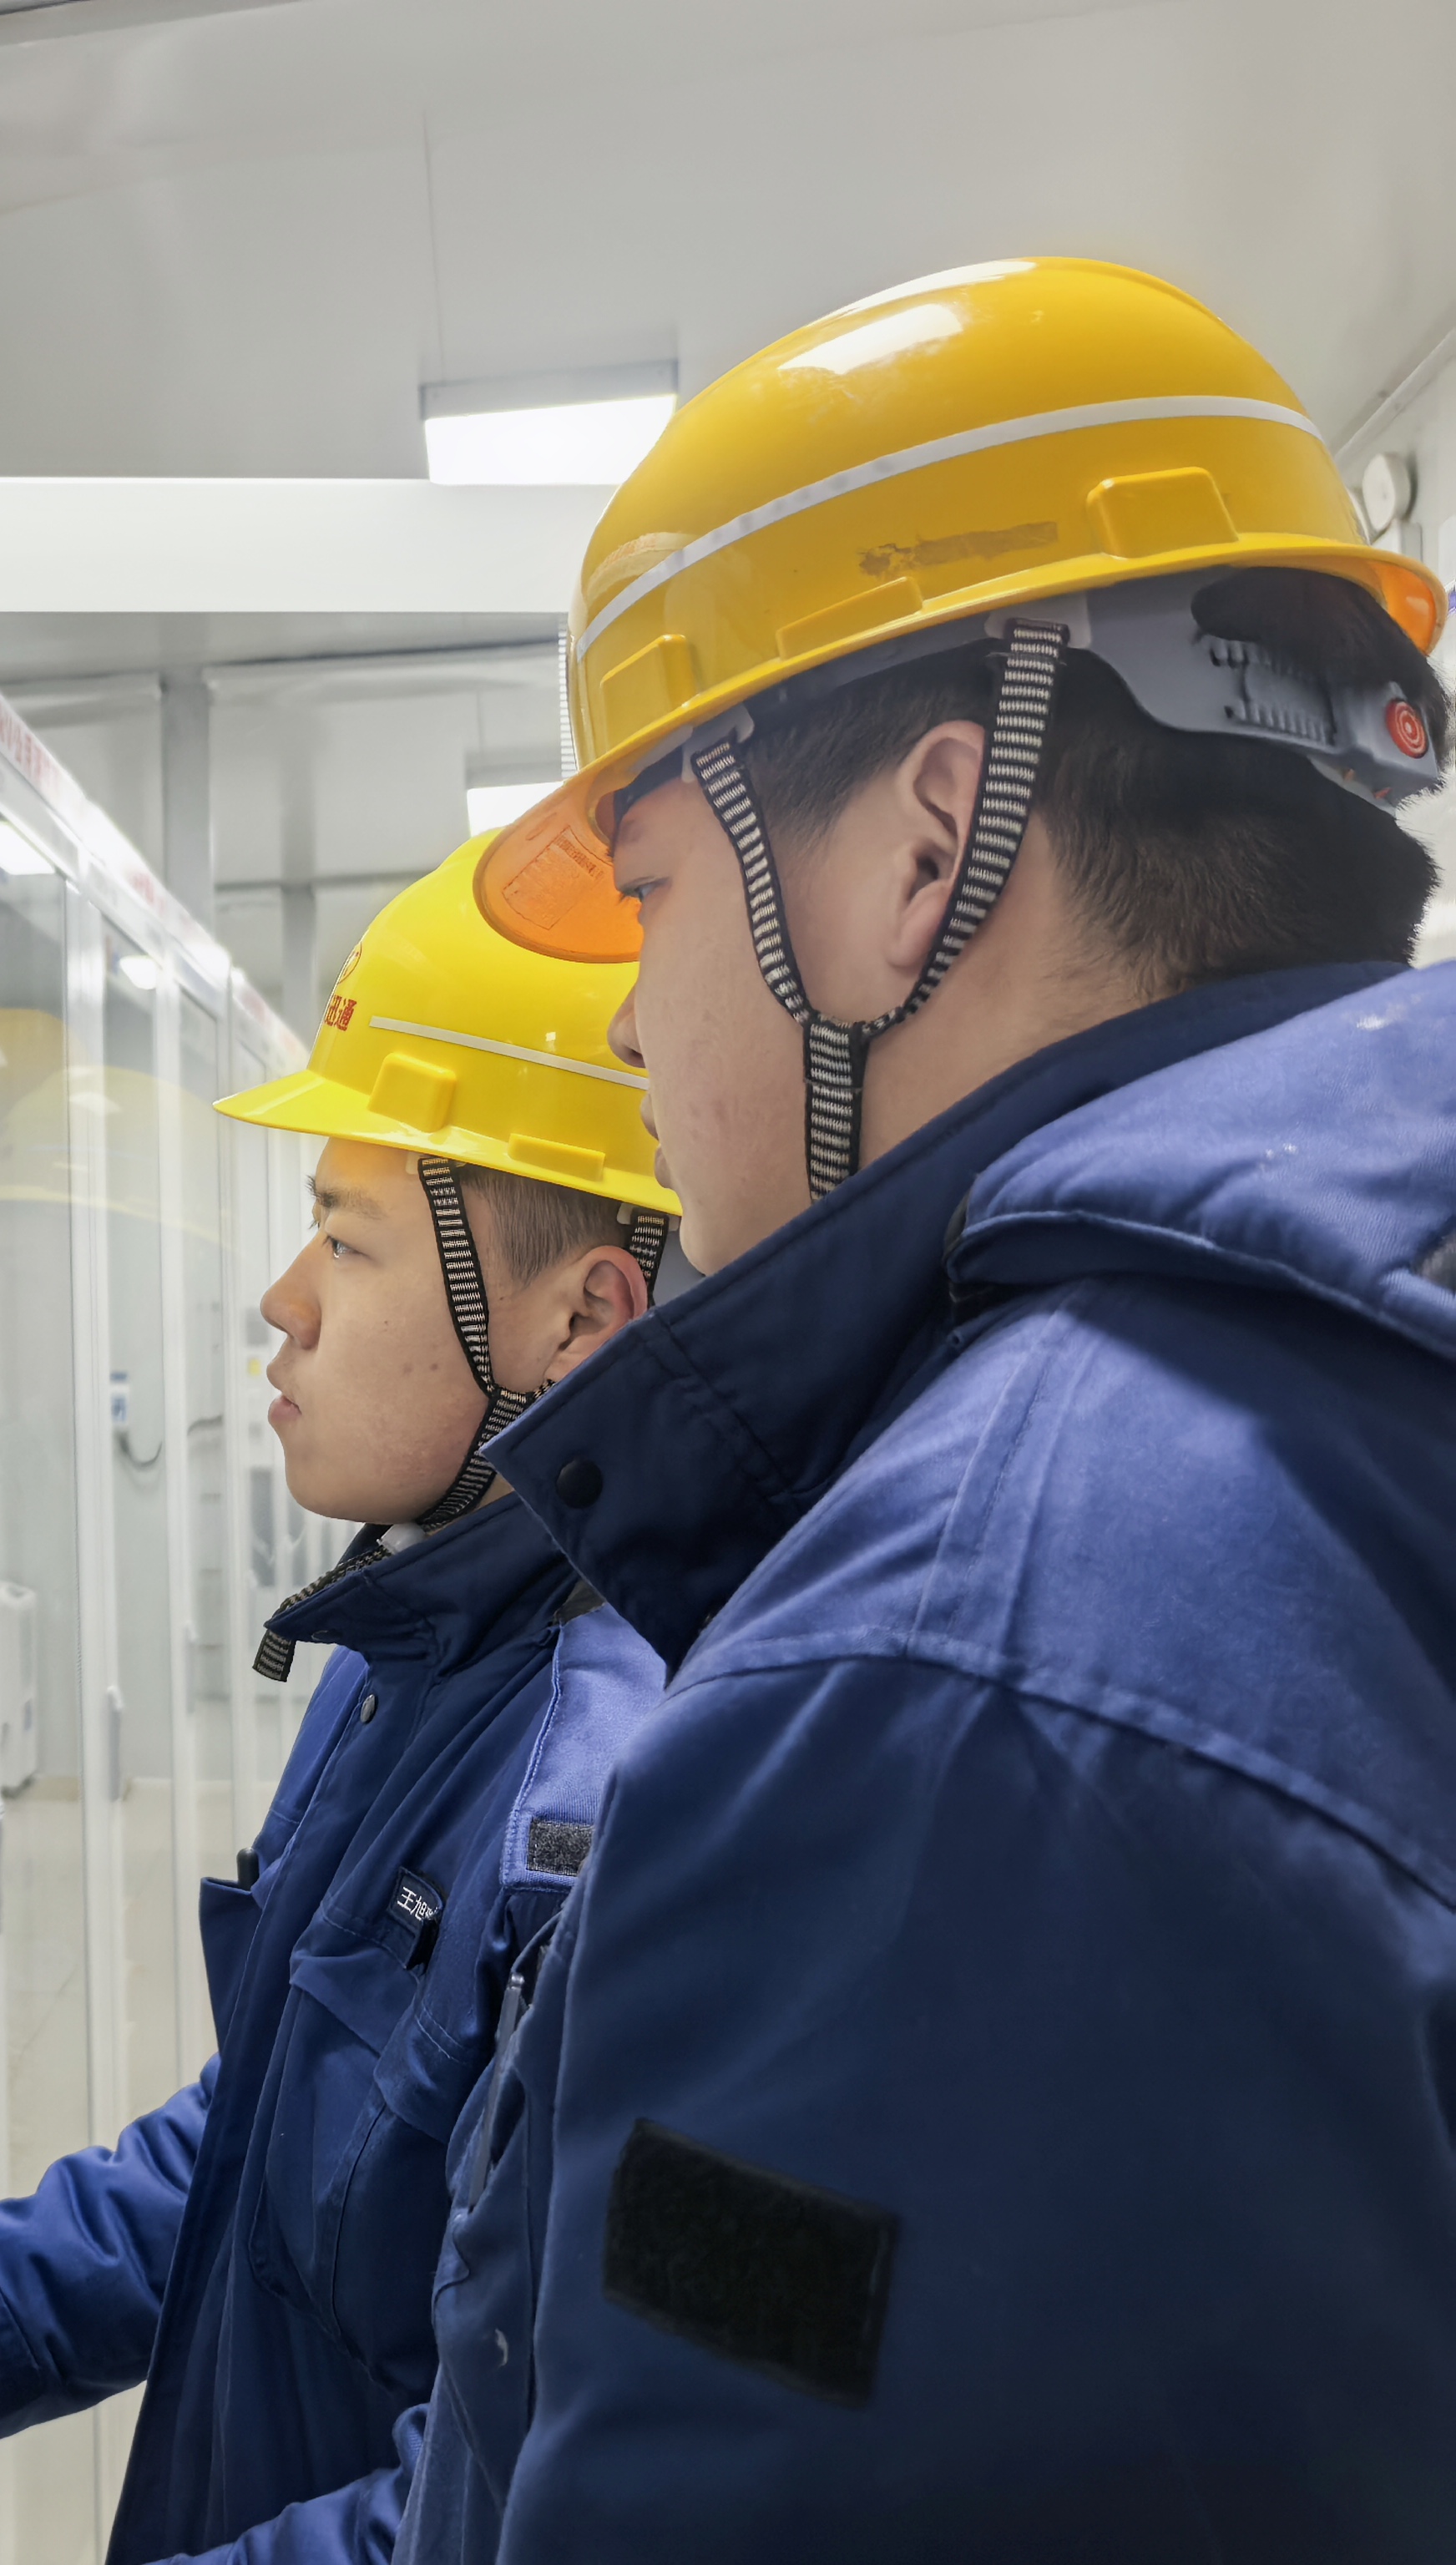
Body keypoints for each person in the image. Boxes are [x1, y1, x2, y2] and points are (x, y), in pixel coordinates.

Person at [410, 256, 1456, 2558]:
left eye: (655, 893)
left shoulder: (959, 1672)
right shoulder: (1357, 1354)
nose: (625, 1024)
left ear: (922, 849)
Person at [0, 842, 681, 2562]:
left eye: (344, 1240)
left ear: (580, 1316)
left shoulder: (601, 1804)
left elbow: (500, 2513)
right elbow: (268, 2155)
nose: (280, 1301)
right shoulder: (412, 1664)